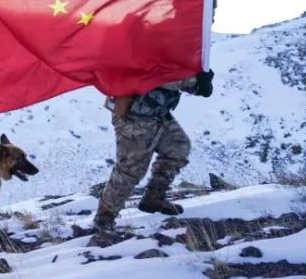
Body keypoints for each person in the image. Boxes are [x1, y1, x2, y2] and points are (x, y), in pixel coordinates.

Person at [92, 70, 215, 232]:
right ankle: (104, 217)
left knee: (178, 148)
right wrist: (193, 82)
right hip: (134, 115)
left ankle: (154, 198)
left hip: (157, 112)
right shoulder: (143, 47)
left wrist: (199, 84)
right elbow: (152, 73)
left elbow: (170, 74)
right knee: (130, 169)